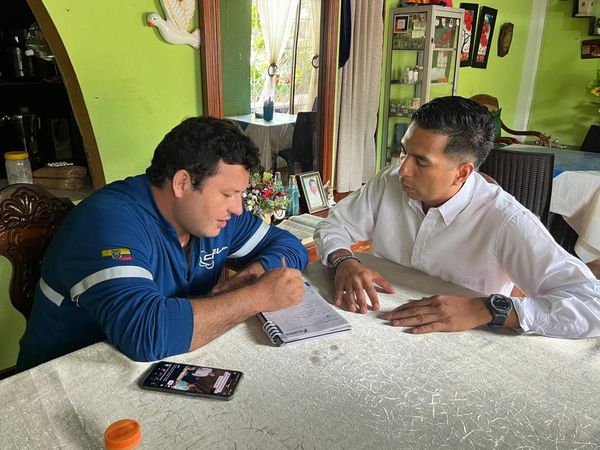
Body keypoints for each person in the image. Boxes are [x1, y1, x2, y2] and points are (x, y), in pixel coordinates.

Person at [18, 117, 308, 371]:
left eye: (240, 194)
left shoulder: (216, 218)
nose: (237, 208)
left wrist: (257, 272)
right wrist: (258, 296)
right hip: (61, 380)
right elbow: (146, 334)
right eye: (227, 194)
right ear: (182, 183)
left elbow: (288, 245)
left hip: (160, 365)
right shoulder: (107, 221)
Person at [315, 96, 600, 339]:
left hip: (462, 347)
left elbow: (592, 304)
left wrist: (489, 308)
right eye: (404, 152)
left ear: (462, 173)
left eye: (420, 161)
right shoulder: (388, 182)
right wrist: (343, 259)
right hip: (377, 325)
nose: (403, 170)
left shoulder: (505, 220)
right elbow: (334, 226)